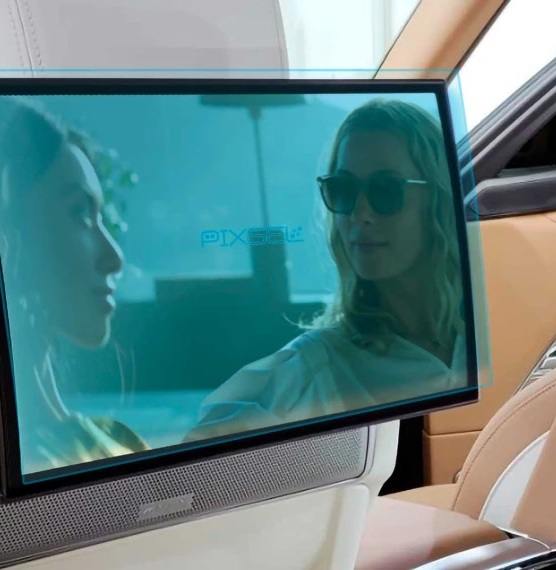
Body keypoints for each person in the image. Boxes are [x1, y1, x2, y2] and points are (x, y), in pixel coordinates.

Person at [185, 99, 469, 442]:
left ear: (438, 199)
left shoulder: (485, 330)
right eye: (343, 189)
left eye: (385, 189)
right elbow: (201, 449)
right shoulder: (315, 369)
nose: (359, 214)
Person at [0, 99, 148, 474]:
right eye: (79, 212)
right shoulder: (34, 457)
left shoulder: (117, 440)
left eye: (98, 215)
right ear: (6, 230)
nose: (114, 257)